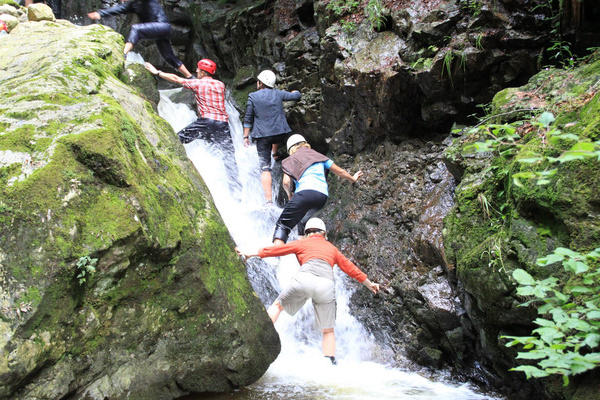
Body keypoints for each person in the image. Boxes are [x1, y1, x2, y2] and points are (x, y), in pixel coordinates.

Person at [236, 217, 380, 365]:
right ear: (324, 234)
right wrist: (370, 284)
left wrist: (249, 253)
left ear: (306, 233)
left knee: (278, 306)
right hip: (326, 284)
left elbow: (276, 250)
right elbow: (351, 269)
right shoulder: (332, 249)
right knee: (328, 329)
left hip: (304, 279)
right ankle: (330, 363)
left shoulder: (302, 242)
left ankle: (259, 335)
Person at [144, 59, 241, 192]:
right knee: (228, 156)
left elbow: (176, 79)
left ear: (202, 72)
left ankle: (165, 164)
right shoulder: (220, 85)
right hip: (222, 125)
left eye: (198, 69)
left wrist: (158, 72)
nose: (196, 71)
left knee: (177, 139)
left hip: (206, 122)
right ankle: (237, 191)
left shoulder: (198, 84)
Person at [273, 134, 363, 245]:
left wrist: (289, 195)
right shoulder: (319, 156)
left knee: (283, 225)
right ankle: (302, 246)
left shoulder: (290, 160)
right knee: (302, 220)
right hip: (321, 197)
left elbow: (286, 182)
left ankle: (276, 254)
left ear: (291, 149)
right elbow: (339, 171)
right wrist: (353, 178)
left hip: (304, 194)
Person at [88, 0, 193, 78]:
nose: (122, 1)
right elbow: (117, 9)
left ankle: (124, 53)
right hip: (159, 30)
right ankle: (190, 77)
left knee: (136, 29)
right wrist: (100, 14)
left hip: (162, 26)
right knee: (168, 57)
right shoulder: (132, 5)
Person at [242, 70, 301, 204]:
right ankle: (275, 153)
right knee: (290, 151)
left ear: (260, 83)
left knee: (265, 168)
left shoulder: (253, 96)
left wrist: (245, 136)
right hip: (281, 133)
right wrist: (294, 92)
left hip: (263, 136)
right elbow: (296, 96)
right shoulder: (278, 93)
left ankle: (268, 201)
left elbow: (248, 118)